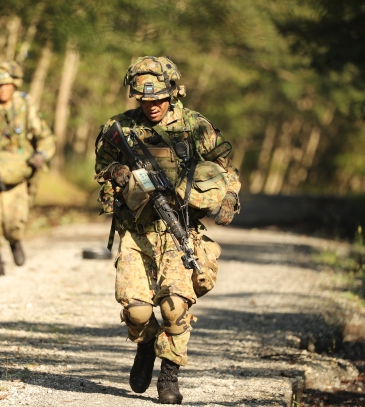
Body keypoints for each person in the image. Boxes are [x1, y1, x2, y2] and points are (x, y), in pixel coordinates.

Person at [94, 56, 241, 404]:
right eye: (145, 100)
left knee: (174, 306)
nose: (152, 106)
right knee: (137, 311)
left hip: (181, 230)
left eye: (159, 99)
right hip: (137, 230)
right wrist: (117, 172)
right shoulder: (120, 127)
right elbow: (103, 166)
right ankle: (145, 344)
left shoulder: (195, 126)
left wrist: (230, 197)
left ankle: (170, 374)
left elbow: (226, 168)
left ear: (173, 93)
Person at [0, 61, 55, 277]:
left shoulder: (25, 108)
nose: (2, 90)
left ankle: (15, 240)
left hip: (19, 173)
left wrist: (41, 155)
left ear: (14, 85)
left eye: (7, 85)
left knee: (13, 221)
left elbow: (45, 137)